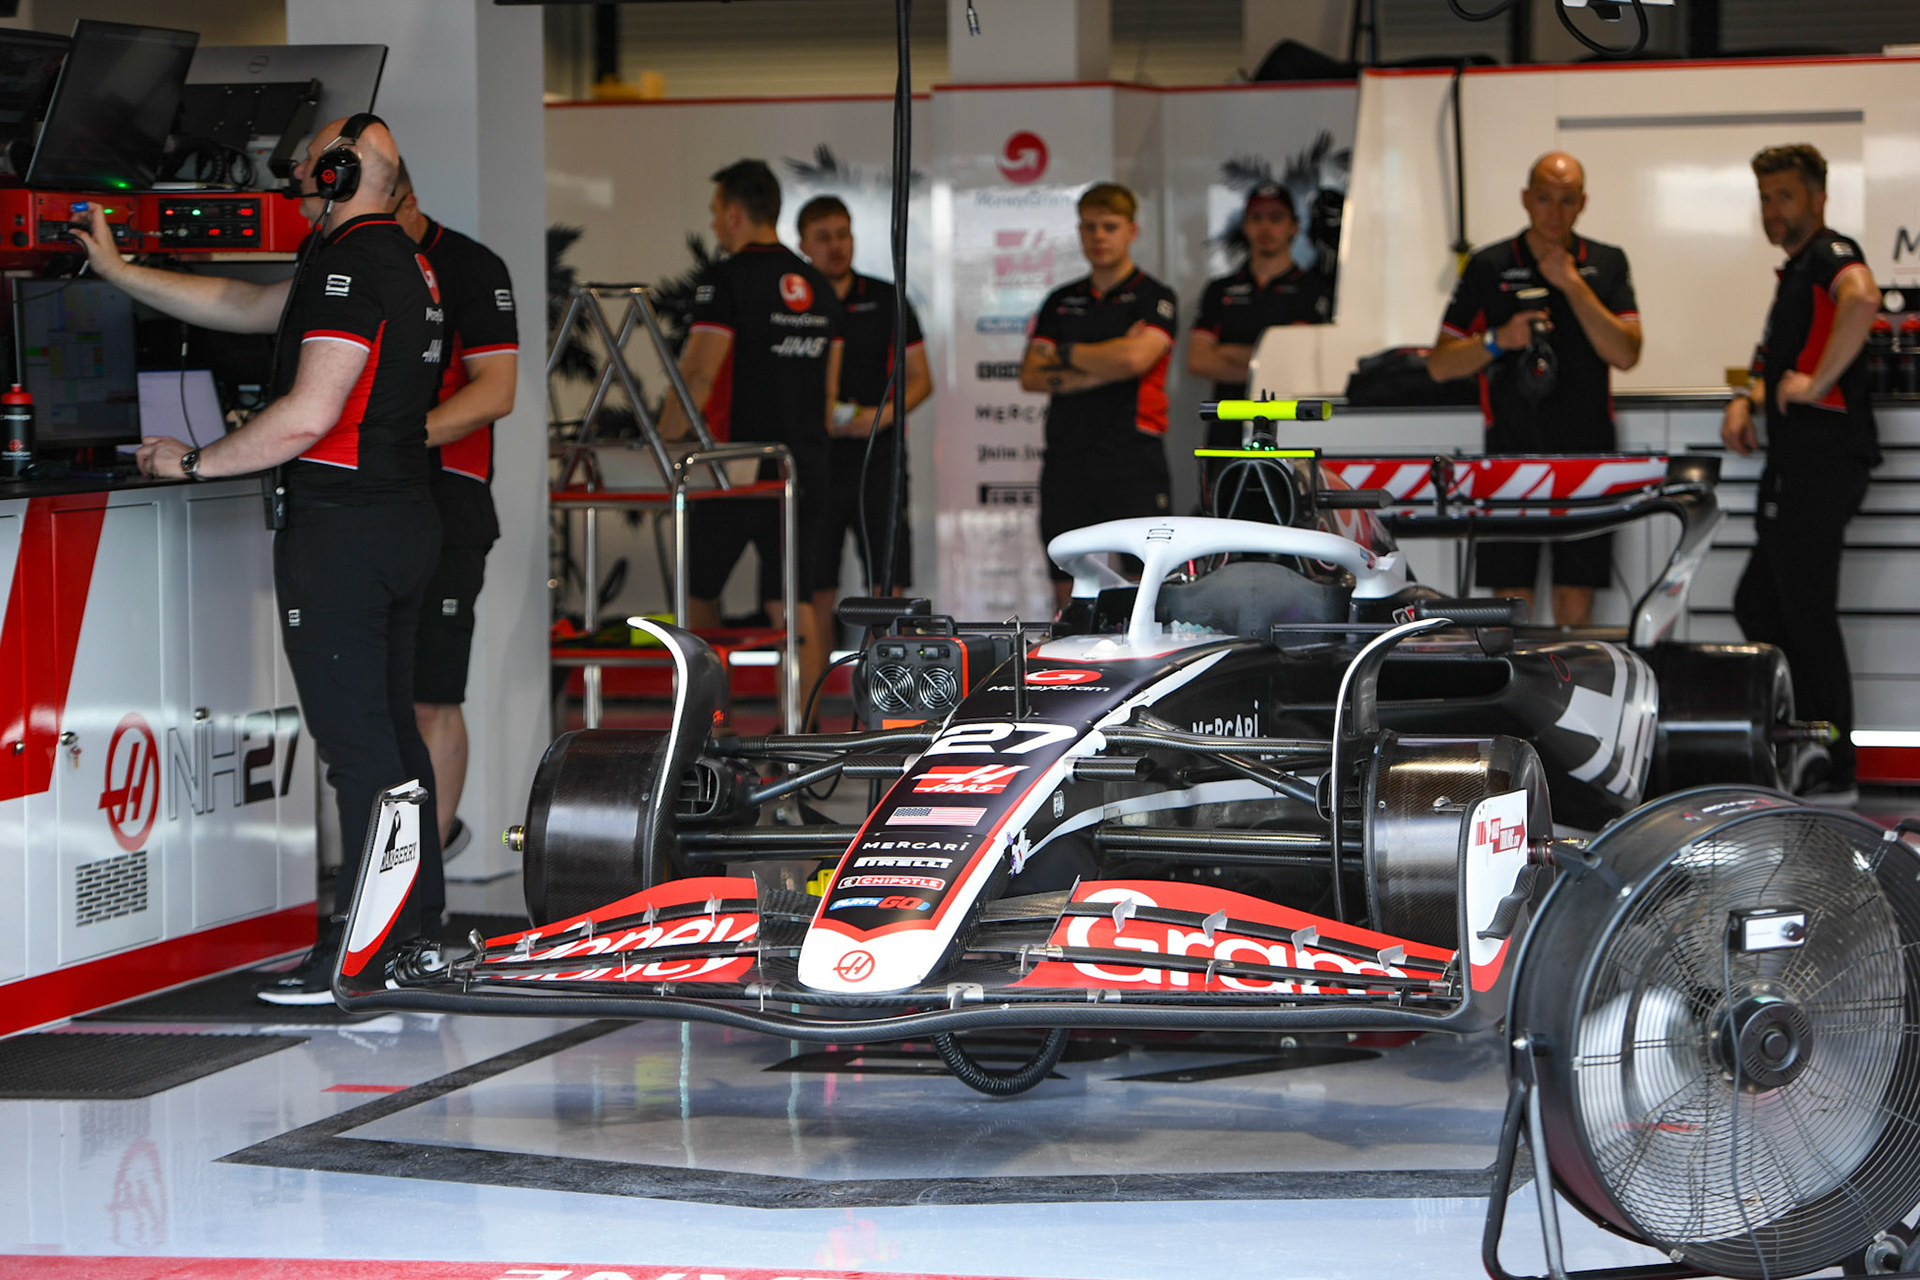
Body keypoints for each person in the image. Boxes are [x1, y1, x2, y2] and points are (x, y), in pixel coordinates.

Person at [70, 115, 447, 1003]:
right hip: (397, 518)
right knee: (392, 738)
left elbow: (310, 413)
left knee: (360, 750)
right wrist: (122, 271)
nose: (292, 174)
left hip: (345, 529)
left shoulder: (354, 263)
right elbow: (244, 307)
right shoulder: (389, 257)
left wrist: (195, 459)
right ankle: (411, 933)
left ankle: (359, 954)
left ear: (341, 169)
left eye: (305, 161)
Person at [1723, 143, 1881, 806]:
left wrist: (1816, 382)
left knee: (1804, 611)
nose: (1773, 210)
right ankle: (1803, 742)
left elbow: (1864, 300)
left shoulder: (1830, 253)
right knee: (1760, 603)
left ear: (1818, 197)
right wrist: (1745, 398)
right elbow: (1770, 363)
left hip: (1822, 462)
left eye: (1785, 196)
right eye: (1765, 197)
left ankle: (1833, 766)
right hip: (1796, 464)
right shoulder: (1794, 272)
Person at [1427, 152, 1643, 627]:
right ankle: (1514, 699)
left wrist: (1572, 286)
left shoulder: (1605, 263)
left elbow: (1626, 354)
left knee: (1575, 601)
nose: (1554, 211)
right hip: (1509, 450)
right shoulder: (1490, 264)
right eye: (1544, 198)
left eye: (1567, 201)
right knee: (1510, 602)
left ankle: (1574, 700)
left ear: (1582, 203)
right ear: (1526, 199)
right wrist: (1498, 340)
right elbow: (1440, 363)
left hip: (1587, 453)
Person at [659, 160, 843, 702]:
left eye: (717, 213)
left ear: (735, 214)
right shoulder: (818, 285)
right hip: (806, 463)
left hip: (736, 463)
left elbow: (697, 373)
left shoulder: (726, 280)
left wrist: (664, 439)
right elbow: (828, 396)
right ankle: (805, 745)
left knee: (698, 592)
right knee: (796, 601)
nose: (715, 225)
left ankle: (709, 734)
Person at [391, 161, 518, 860]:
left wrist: (391, 439)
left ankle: (423, 874)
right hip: (359, 507)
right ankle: (389, 866)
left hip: (449, 505)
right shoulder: (337, 260)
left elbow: (496, 392)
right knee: (374, 708)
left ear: (405, 198)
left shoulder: (469, 266)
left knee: (431, 697)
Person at [1019, 181, 1178, 611]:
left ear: (1132, 231)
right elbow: (1032, 375)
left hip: (1133, 454)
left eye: (1109, 226)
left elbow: (1134, 361)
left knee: (1141, 583)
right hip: (1068, 456)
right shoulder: (1061, 301)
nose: (1099, 237)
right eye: (1089, 227)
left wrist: (1067, 355)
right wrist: (1106, 362)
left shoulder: (1155, 297)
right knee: (1068, 585)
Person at [794, 195, 932, 643]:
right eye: (824, 238)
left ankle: (888, 691)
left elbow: (921, 380)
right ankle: (811, 699)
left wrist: (881, 417)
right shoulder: (794, 301)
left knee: (886, 579)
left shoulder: (885, 298)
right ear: (803, 245)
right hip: (814, 459)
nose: (836, 246)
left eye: (843, 235)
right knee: (814, 581)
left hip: (879, 455)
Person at [1188, 180, 1331, 416]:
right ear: (1245, 225)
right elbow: (1199, 360)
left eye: (1275, 218)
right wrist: (1269, 372)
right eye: (1256, 218)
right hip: (1229, 423)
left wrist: (1227, 351)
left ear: (1293, 226)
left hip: (1290, 423)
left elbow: (1303, 364)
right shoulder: (1220, 289)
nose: (1265, 226)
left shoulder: (1314, 290)